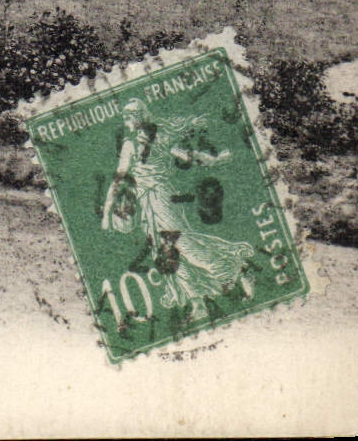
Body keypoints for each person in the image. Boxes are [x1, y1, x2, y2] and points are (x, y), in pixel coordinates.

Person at [102, 98, 256, 319]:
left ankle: (236, 267)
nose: (127, 118)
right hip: (146, 203)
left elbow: (188, 156)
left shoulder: (159, 136)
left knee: (182, 243)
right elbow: (119, 177)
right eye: (125, 114)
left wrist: (216, 160)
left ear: (142, 115)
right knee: (166, 255)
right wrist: (107, 213)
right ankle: (197, 302)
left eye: (132, 114)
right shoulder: (129, 145)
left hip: (162, 196)